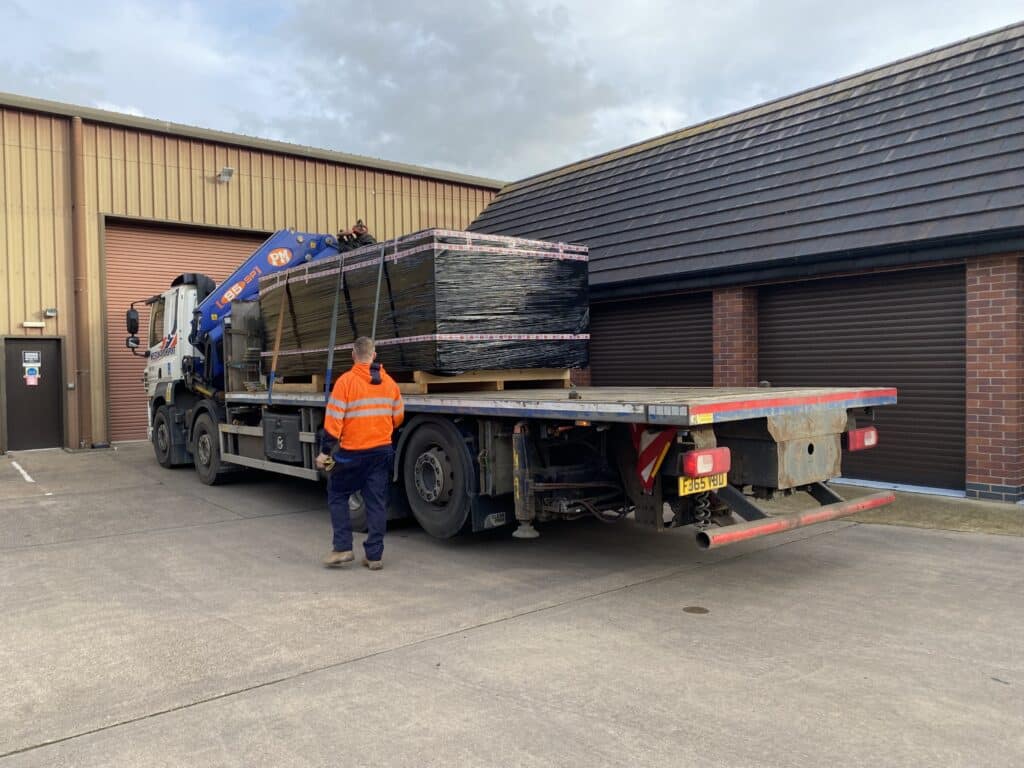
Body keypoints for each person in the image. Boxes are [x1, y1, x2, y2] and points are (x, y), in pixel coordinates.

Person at [316, 336, 404, 570]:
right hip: (382, 452)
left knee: (336, 491)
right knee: (376, 502)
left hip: (351, 454)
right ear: (374, 356)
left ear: (354, 355)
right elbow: (398, 419)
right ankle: (374, 556)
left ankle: (343, 547)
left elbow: (333, 422)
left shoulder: (345, 382)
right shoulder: (390, 384)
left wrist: (325, 453)